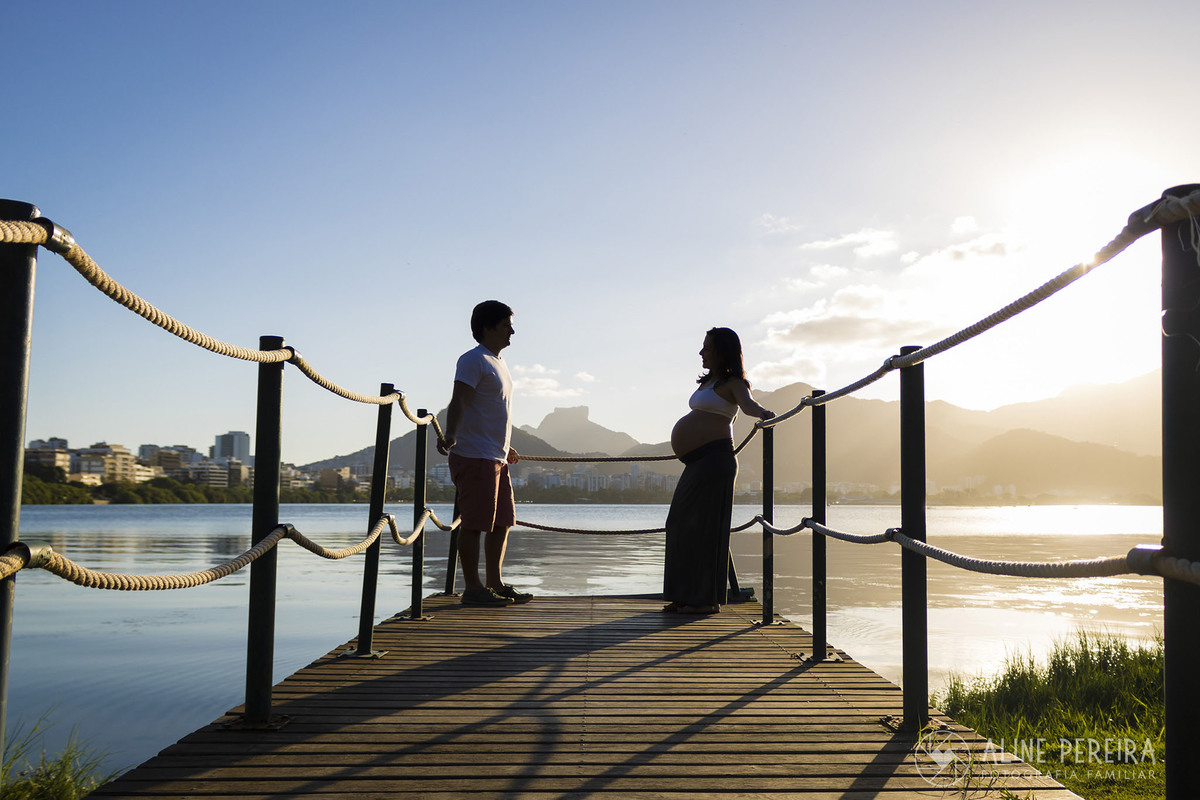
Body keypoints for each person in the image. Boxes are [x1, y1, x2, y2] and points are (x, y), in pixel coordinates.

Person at [663, 327, 774, 614]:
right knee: (679, 524)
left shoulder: (734, 382)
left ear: (722, 351)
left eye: (707, 348)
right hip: (698, 461)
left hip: (715, 460)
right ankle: (685, 594)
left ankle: (706, 600)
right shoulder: (707, 382)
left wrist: (763, 413)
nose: (701, 353)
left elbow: (748, 405)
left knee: (707, 529)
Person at [436, 300, 533, 607]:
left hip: (496, 457)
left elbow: (491, 410)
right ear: (489, 328)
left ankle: (494, 582)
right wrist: (451, 433)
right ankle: (473, 588)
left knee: (503, 520)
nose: (512, 331)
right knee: (475, 523)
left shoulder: (498, 363)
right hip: (475, 456)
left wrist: (506, 446)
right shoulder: (472, 360)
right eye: (507, 325)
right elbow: (460, 401)